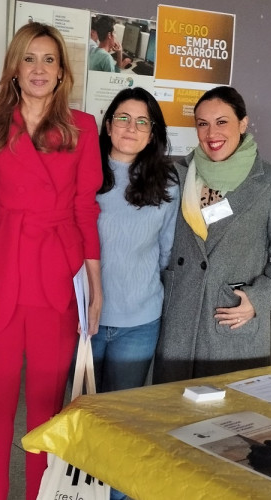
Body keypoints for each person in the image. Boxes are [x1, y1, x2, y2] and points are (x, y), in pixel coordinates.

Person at [0, 22, 102, 500]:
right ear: (15, 68)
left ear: (62, 70)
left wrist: (95, 286)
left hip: (56, 275)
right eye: (30, 58)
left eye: (49, 59)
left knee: (46, 411)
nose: (39, 69)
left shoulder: (83, 127)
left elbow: (86, 208)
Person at [154, 86, 271, 383]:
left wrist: (257, 299)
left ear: (243, 123)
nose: (212, 133)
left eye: (222, 121)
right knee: (171, 415)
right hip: (180, 320)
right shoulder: (179, 174)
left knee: (232, 418)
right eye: (202, 123)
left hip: (231, 319)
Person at [92, 88, 178, 400]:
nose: (132, 127)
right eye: (124, 118)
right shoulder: (84, 174)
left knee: (121, 413)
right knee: (83, 411)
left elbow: (167, 252)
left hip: (139, 322)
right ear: (108, 125)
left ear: (152, 133)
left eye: (143, 122)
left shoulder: (167, 183)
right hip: (83, 319)